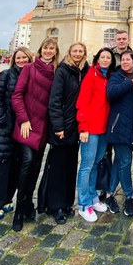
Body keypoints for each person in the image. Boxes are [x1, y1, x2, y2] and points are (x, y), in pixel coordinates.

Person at [11, 37, 59, 231]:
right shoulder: (29, 68)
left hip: (44, 126)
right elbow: (17, 95)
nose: (48, 51)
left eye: (52, 49)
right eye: (46, 48)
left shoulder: (56, 72)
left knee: (36, 166)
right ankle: (19, 209)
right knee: (27, 163)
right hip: (27, 125)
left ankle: (29, 204)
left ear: (56, 52)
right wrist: (23, 119)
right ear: (40, 50)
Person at [0, 46, 34, 220]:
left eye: (24, 58)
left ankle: (6, 200)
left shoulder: (30, 76)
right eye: (18, 58)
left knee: (14, 166)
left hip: (20, 130)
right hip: (3, 129)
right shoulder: (6, 75)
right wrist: (3, 120)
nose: (21, 61)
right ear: (14, 60)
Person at [47, 42, 90, 224]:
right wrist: (58, 127)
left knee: (71, 166)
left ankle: (66, 203)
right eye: (75, 51)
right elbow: (55, 100)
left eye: (81, 51)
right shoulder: (63, 71)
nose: (78, 54)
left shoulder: (84, 71)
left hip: (75, 128)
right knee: (57, 167)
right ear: (69, 52)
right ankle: (55, 206)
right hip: (62, 127)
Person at [76, 47, 116, 222]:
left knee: (95, 164)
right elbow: (82, 101)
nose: (105, 60)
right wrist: (83, 127)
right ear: (97, 59)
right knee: (86, 165)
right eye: (103, 57)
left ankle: (92, 196)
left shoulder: (109, 77)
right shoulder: (91, 75)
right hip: (90, 129)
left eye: (108, 57)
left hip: (103, 129)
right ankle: (83, 204)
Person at [104, 50, 133, 217]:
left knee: (119, 161)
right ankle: (129, 195)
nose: (125, 62)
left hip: (131, 128)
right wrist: (130, 84)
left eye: (128, 60)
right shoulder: (117, 76)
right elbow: (110, 93)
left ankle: (110, 193)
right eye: (123, 59)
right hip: (118, 127)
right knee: (125, 162)